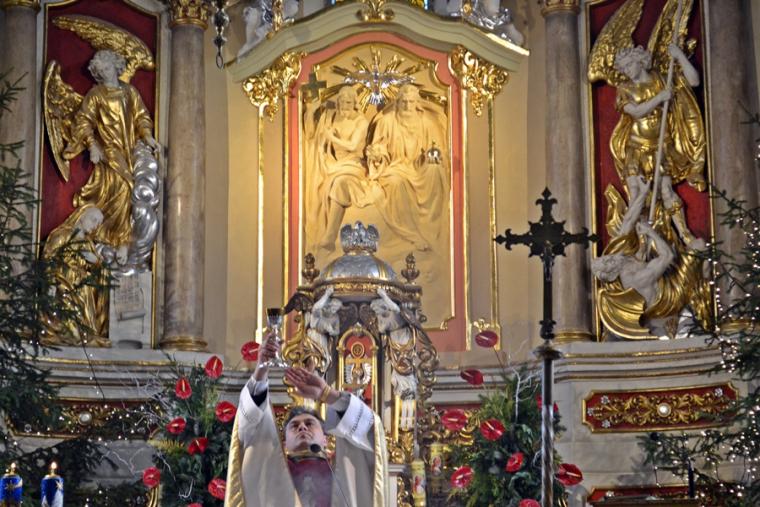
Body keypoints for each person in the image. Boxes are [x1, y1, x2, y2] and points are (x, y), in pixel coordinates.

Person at [225, 332, 389, 507]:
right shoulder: (270, 468)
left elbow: (372, 432)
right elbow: (249, 428)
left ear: (326, 439)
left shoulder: (343, 469)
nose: (302, 427)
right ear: (284, 443)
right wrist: (261, 369)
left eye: (310, 423)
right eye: (294, 426)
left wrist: (327, 394)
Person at [63, 49, 158, 255]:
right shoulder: (96, 95)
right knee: (125, 187)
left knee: (124, 194)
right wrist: (92, 145)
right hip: (108, 152)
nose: (104, 73)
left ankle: (116, 238)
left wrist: (147, 136)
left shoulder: (129, 92)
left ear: (116, 66)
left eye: (107, 68)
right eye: (100, 70)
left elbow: (141, 116)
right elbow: (83, 120)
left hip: (128, 151)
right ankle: (116, 238)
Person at [611, 43, 704, 244]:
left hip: (661, 145)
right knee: (636, 195)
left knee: (666, 191)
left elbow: (694, 81)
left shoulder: (661, 79)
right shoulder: (624, 89)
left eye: (629, 65)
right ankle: (635, 242)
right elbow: (636, 112)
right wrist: (660, 98)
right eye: (624, 68)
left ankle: (685, 235)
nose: (627, 71)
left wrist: (679, 56)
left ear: (640, 61)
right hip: (636, 147)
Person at [368, 84, 449, 247]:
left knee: (435, 169)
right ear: (397, 102)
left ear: (417, 103)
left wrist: (432, 155)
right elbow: (378, 147)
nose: (407, 106)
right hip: (395, 168)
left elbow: (438, 149)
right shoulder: (386, 121)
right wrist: (378, 156)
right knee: (396, 182)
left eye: (411, 102)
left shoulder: (428, 123)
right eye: (403, 102)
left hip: (420, 169)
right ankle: (410, 235)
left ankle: (430, 228)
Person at [304, 86, 370, 252]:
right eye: (342, 102)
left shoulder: (361, 122)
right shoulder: (332, 117)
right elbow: (311, 135)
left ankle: (329, 237)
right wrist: (311, 112)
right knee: (319, 186)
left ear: (354, 103)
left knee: (340, 182)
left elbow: (353, 146)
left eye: (348, 102)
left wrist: (331, 137)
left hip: (354, 165)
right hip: (334, 165)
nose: (344, 106)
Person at [41, 205, 111, 346]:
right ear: (81, 215)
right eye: (93, 220)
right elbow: (49, 259)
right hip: (64, 282)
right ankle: (74, 335)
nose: (95, 226)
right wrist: (51, 282)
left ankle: (87, 335)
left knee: (86, 326)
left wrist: (95, 261)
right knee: (71, 327)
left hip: (84, 288)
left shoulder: (88, 243)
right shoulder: (62, 235)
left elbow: (100, 269)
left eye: (98, 223)